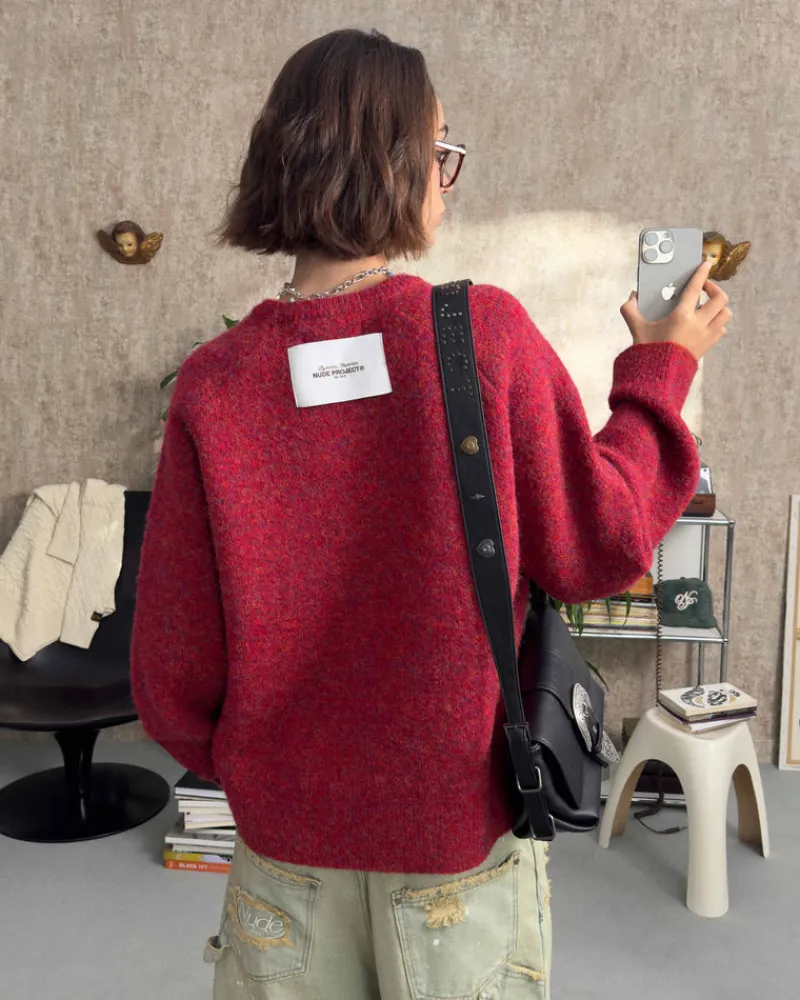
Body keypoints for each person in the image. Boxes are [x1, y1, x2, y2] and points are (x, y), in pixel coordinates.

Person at [130, 28, 730, 1000]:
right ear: (393, 161)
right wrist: (662, 367)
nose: (448, 178)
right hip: (454, 837)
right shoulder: (479, 335)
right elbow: (601, 541)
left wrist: (282, 778)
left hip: (283, 845)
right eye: (440, 148)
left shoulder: (216, 382)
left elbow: (171, 674)